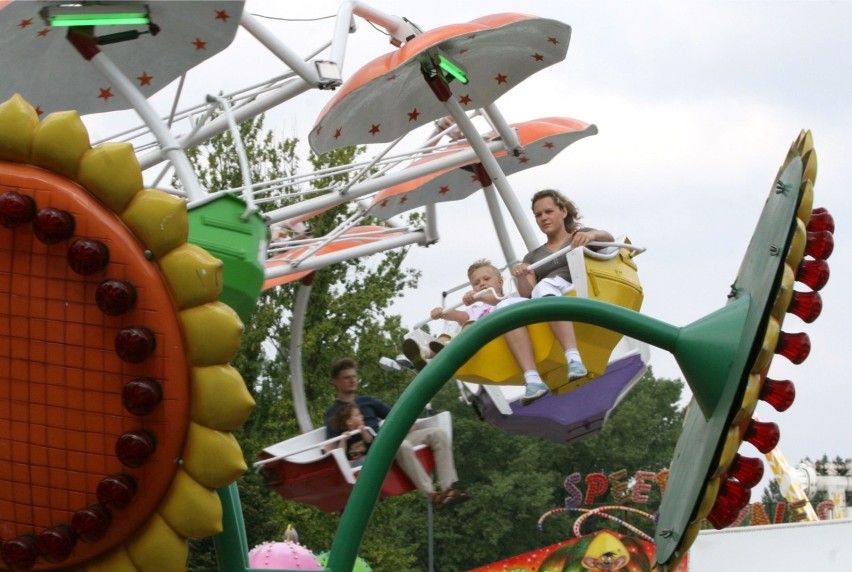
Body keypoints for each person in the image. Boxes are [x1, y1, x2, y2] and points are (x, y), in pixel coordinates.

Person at [324, 357, 469, 509]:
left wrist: (407, 424)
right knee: (402, 445)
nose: (352, 381)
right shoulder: (334, 413)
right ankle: (432, 494)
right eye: (347, 378)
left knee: (438, 434)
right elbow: (331, 445)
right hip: (371, 452)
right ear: (335, 382)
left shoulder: (367, 401)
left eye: (354, 377)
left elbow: (395, 416)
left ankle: (447, 488)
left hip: (388, 439)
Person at [511, 189, 614, 396]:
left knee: (544, 287)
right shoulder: (533, 256)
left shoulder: (578, 235)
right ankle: (532, 380)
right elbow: (527, 295)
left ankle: (573, 357)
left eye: (548, 211)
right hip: (547, 297)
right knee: (507, 307)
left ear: (563, 212)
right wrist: (522, 275)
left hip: (575, 291)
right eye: (538, 215)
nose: (543, 218)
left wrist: (591, 235)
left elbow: (609, 240)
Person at [427, 259, 552, 406]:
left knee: (471, 326)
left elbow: (499, 301)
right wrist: (443, 313)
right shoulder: (475, 310)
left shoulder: (510, 300)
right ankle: (427, 353)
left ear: (500, 282)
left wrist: (479, 296)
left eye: (486, 279)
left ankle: (437, 350)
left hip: (495, 341)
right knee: (451, 329)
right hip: (480, 348)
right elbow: (459, 316)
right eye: (476, 283)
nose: (482, 284)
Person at [328, 402, 374, 467]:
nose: (362, 416)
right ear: (349, 422)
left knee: (366, 459)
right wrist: (343, 439)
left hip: (366, 458)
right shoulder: (345, 435)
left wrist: (363, 431)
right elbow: (341, 452)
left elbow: (369, 440)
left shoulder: (362, 429)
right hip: (353, 463)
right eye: (357, 415)